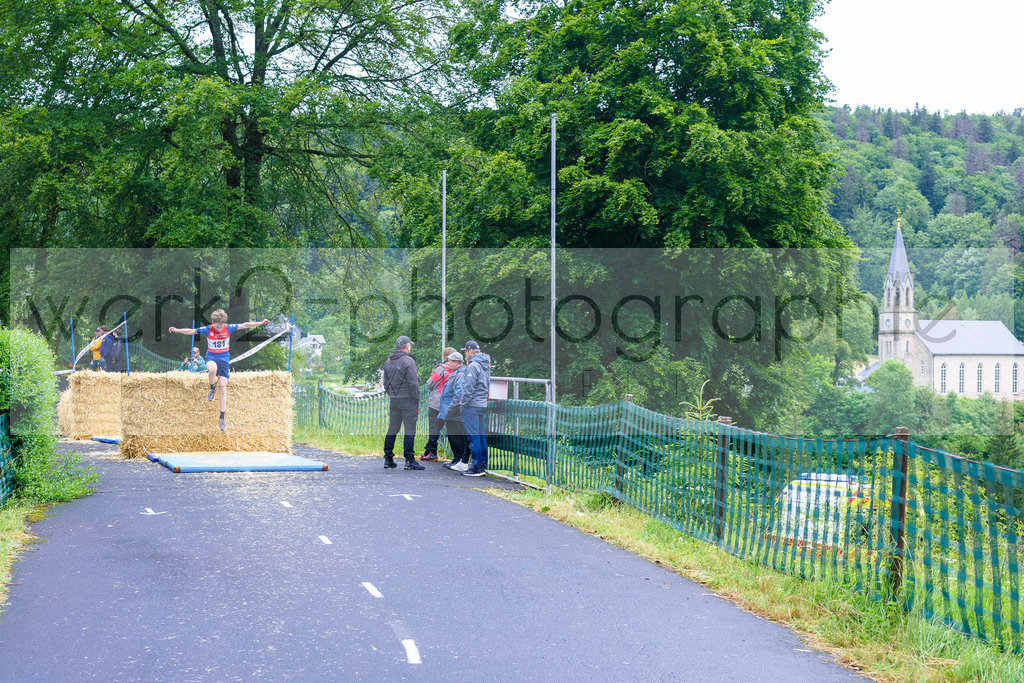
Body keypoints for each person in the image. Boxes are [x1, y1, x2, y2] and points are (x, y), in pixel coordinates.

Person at [168, 309, 269, 431]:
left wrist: (260, 323)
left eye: (221, 325)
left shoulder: (228, 328)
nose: (219, 327)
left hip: (224, 361)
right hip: (211, 357)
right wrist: (176, 330)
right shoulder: (208, 329)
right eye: (217, 325)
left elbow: (245, 325)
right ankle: (211, 388)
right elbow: (191, 331)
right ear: (213, 322)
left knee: (223, 388)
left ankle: (222, 417)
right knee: (212, 369)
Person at [382, 335, 424, 470]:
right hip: (408, 399)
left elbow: (385, 383)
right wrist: (416, 398)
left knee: (392, 428)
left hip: (394, 400)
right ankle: (409, 460)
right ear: (407, 346)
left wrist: (392, 395)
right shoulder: (408, 361)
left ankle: (388, 459)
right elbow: (413, 383)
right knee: (410, 429)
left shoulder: (389, 361)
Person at [458, 340, 491, 477]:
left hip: (472, 405)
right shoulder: (485, 365)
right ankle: (483, 463)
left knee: (473, 437)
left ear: (470, 351)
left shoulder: (473, 366)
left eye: (466, 352)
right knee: (481, 436)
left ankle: (475, 466)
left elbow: (468, 388)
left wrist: (463, 405)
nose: (465, 355)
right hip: (482, 403)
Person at [421, 346, 456, 461]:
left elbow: (430, 384)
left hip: (437, 403)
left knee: (433, 429)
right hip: (451, 403)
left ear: (444, 356)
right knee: (443, 429)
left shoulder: (441, 369)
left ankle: (432, 453)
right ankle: (428, 451)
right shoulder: (458, 370)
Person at [438, 351, 470, 471]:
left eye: (451, 361)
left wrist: (451, 409)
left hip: (455, 414)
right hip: (451, 413)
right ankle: (456, 459)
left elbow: (459, 395)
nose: (448, 363)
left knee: (456, 437)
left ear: (457, 362)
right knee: (452, 437)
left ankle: (459, 459)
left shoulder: (460, 375)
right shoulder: (456, 373)